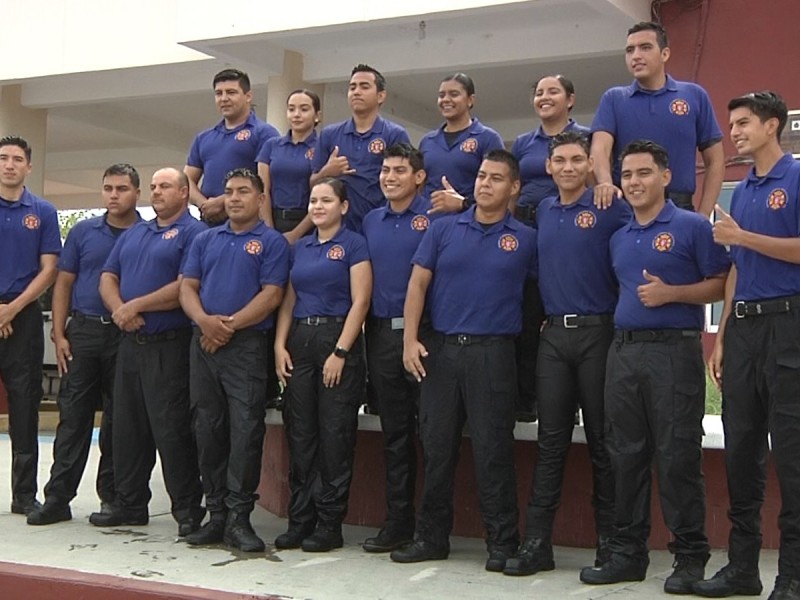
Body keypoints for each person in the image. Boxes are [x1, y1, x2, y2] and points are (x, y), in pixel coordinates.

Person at [579, 140, 729, 594]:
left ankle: (688, 556)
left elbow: (722, 283)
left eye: (644, 173)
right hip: (622, 354)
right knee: (624, 454)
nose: (634, 182)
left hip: (673, 352)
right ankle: (628, 553)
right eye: (627, 175)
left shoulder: (691, 226)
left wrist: (673, 294)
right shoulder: (618, 235)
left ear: (665, 177)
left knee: (677, 454)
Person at [392, 150, 537, 572]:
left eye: (496, 178)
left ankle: (502, 541)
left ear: (513, 188)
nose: (484, 184)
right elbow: (417, 284)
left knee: (493, 450)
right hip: (441, 352)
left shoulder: (525, 238)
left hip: (494, 354)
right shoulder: (443, 229)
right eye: (481, 176)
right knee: (436, 448)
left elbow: (543, 292)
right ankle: (431, 538)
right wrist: (410, 340)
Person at [503, 131, 630, 576]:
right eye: (561, 160)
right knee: (550, 443)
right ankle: (537, 543)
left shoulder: (609, 206)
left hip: (600, 335)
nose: (570, 167)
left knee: (603, 443)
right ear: (550, 167)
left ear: (589, 165)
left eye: (579, 159)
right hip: (555, 339)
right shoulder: (542, 213)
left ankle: (611, 544)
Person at [694, 92, 800, 600]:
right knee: (742, 450)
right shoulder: (746, 188)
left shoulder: (795, 177)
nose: (733, 132)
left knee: (793, 454)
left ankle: (793, 573)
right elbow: (737, 268)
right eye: (730, 124)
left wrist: (744, 239)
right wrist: (723, 338)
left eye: (743, 123)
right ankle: (741, 568)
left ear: (771, 125)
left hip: (789, 324)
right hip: (746, 328)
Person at [180, 168, 290, 552]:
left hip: (246, 347)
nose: (235, 198)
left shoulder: (272, 242)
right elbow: (187, 287)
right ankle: (217, 516)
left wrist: (227, 327)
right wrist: (204, 322)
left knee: (245, 432)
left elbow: (272, 294)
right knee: (207, 430)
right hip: (204, 344)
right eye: (228, 192)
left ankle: (240, 518)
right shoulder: (206, 239)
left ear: (261, 199)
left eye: (244, 191)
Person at [92, 167, 206, 536]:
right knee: (126, 428)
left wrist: (136, 305)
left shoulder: (195, 234)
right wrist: (119, 311)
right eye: (154, 187)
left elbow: (185, 285)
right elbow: (108, 277)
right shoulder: (136, 232)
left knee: (171, 431)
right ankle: (128, 504)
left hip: (169, 347)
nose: (156, 192)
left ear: (184, 192)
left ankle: (187, 511)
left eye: (165, 186)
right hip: (129, 345)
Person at [27, 164, 141, 526]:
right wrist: (59, 334)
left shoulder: (147, 233)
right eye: (108, 188)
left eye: (122, 188)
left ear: (137, 193)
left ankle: (114, 499)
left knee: (119, 423)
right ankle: (58, 499)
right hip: (85, 333)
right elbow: (63, 284)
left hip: (127, 337)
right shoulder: (82, 232)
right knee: (73, 418)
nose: (113, 195)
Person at [273, 177, 372, 552]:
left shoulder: (354, 245)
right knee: (301, 434)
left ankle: (329, 524)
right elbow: (288, 300)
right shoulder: (300, 248)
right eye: (313, 200)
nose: (317, 206)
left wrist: (342, 353)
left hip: (336, 340)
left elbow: (360, 302)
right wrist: (280, 345)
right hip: (301, 340)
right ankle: (300, 520)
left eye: (326, 201)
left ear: (343, 207)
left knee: (334, 436)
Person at [360, 144, 431, 553]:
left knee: (434, 436)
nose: (389, 177)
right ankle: (397, 524)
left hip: (426, 336)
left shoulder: (436, 218)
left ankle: (430, 527)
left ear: (418, 177)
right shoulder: (371, 220)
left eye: (399, 170)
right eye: (385, 170)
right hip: (382, 335)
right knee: (395, 435)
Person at [511, 74, 589, 422]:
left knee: (565, 310)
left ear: (570, 99)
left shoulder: (588, 137)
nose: (544, 97)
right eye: (538, 92)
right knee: (528, 313)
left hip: (572, 227)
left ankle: (569, 405)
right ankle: (526, 401)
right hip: (530, 229)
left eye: (552, 91)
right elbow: (513, 189)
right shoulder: (524, 143)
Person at [591, 21, 724, 215]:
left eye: (645, 47)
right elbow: (599, 148)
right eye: (630, 50)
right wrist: (605, 183)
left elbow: (716, 160)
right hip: (628, 210)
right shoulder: (614, 99)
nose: (636, 56)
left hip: (680, 208)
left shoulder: (694, 95)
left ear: (665, 54)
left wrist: (704, 215)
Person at [0, 135, 60, 516]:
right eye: (3, 158)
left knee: (25, 405)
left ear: (29, 166)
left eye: (17, 159)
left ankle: (24, 495)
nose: (9, 164)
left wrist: (12, 308)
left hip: (22, 319)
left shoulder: (43, 210)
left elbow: (50, 268)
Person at [310, 64, 410, 232]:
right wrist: (327, 172)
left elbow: (408, 185)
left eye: (364, 87)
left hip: (380, 227)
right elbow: (312, 183)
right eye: (352, 87)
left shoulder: (394, 134)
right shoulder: (329, 134)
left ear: (380, 96)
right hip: (337, 230)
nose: (356, 92)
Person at [185, 68, 279, 225]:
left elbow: (264, 183)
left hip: (248, 225)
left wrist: (224, 200)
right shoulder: (204, 138)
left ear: (248, 96)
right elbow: (186, 180)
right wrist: (205, 205)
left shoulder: (264, 133)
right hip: (208, 225)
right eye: (218, 93)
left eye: (231, 92)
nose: (224, 98)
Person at [419, 73, 504, 213]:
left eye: (453, 94)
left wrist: (464, 203)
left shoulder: (488, 138)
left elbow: (498, 189)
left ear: (470, 100)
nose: (446, 99)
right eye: (441, 95)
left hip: (470, 224)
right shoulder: (427, 141)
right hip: (430, 224)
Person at [257, 89, 321, 245]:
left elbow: (325, 196)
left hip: (309, 225)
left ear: (317, 115)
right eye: (291, 109)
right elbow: (262, 189)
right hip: (272, 221)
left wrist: (296, 233)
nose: (296, 114)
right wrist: (269, 230)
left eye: (304, 109)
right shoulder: (271, 145)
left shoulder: (322, 147)